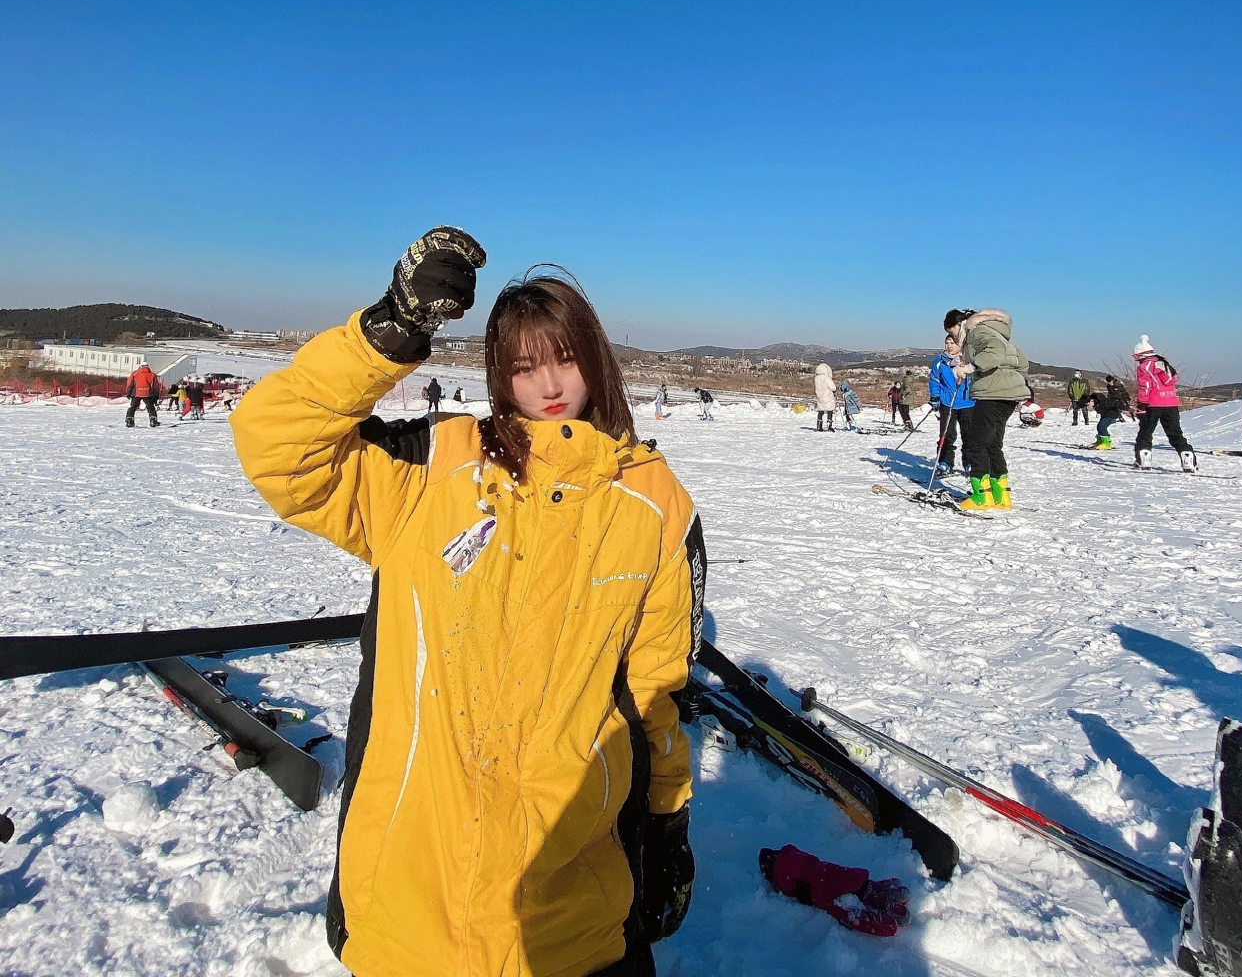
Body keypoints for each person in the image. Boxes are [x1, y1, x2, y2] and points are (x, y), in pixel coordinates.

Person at [230, 227, 704, 977]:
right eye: (522, 368)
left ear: (595, 358)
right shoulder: (434, 467)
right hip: (413, 898)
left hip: (571, 911)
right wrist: (392, 326)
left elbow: (655, 688)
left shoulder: (655, 503)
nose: (547, 386)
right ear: (496, 374)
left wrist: (668, 822)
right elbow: (276, 445)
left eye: (564, 358)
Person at [944, 308, 1030, 511]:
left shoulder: (977, 331)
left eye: (953, 333)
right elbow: (1022, 360)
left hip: (993, 393)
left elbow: (994, 353)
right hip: (1007, 395)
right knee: (992, 445)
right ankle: (1001, 496)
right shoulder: (999, 332)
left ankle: (980, 497)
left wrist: (970, 368)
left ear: (959, 325)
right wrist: (1014, 381)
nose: (955, 338)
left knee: (976, 444)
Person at [1132, 335, 1196, 471]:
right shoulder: (1165, 365)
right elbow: (1171, 382)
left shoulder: (1144, 367)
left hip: (1152, 404)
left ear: (1139, 355)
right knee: (1175, 434)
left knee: (1145, 433)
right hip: (1171, 403)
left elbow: (1146, 385)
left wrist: (1141, 404)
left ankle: (1143, 460)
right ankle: (1188, 460)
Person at [927, 335, 973, 474]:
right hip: (947, 402)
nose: (949, 346)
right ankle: (945, 462)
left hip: (968, 403)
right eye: (947, 343)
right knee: (947, 434)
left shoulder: (969, 361)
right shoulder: (940, 361)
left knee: (969, 434)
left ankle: (971, 462)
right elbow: (934, 379)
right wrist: (935, 396)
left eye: (953, 343)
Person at [1085, 380, 1128, 449]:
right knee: (1099, 426)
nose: (1091, 403)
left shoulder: (1105, 401)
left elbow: (1116, 404)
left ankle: (1106, 443)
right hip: (1105, 415)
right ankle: (1100, 441)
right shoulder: (1097, 404)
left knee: (1102, 427)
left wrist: (1127, 408)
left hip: (1112, 415)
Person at [123, 362, 161, 427]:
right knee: (151, 408)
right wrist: (156, 395)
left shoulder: (135, 374)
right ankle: (153, 420)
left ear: (140, 366)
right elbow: (156, 386)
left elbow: (130, 384)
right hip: (148, 393)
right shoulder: (152, 375)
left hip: (136, 393)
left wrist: (128, 393)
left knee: (133, 407)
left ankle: (129, 420)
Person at [813, 363, 837, 432]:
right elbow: (833, 387)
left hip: (820, 397)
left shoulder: (816, 378)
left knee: (820, 412)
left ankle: (819, 426)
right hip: (828, 397)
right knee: (830, 411)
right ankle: (829, 426)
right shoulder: (826, 378)